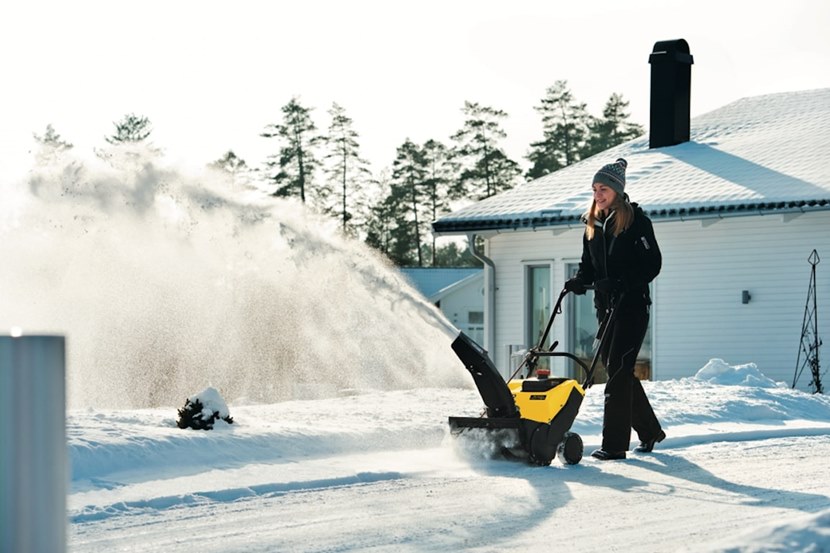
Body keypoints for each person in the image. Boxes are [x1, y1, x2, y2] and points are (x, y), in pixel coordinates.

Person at [564, 158, 666, 461]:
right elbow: (588, 266)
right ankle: (649, 432)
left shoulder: (636, 222)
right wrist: (580, 281)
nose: (598, 194)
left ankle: (615, 445)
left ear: (618, 191)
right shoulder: (592, 222)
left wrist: (620, 282)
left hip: (632, 308)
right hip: (606, 309)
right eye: (595, 189)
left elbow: (652, 264)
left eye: (604, 188)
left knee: (618, 373)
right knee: (617, 370)